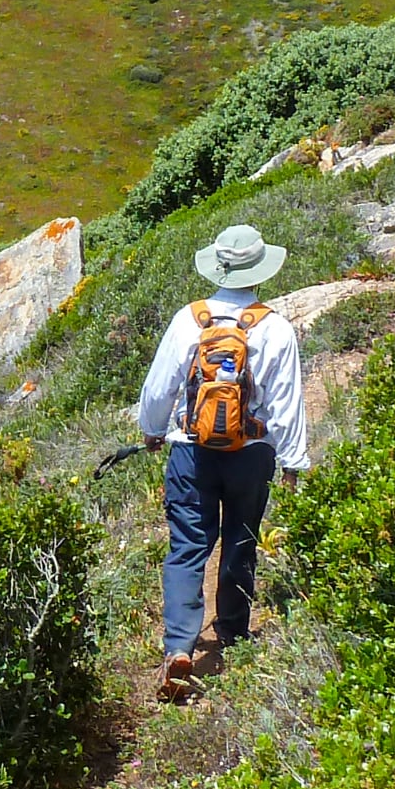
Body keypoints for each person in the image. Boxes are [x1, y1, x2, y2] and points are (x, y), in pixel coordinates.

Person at [135, 222, 308, 701]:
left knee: (188, 544)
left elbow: (158, 388)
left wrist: (151, 430)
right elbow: (286, 402)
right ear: (259, 271)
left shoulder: (189, 319)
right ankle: (232, 634)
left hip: (191, 451)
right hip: (250, 454)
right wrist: (293, 462)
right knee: (240, 540)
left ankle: (179, 646)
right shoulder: (274, 327)